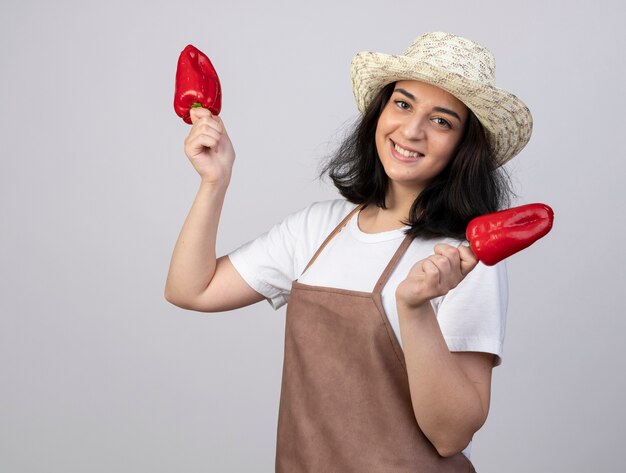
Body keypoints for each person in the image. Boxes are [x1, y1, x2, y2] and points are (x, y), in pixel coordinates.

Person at [165, 31, 532, 472]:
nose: (411, 130)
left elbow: (451, 434)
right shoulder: (316, 229)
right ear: (380, 110)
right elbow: (191, 290)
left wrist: (414, 307)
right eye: (403, 103)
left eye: (442, 121)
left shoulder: (464, 258)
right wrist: (214, 181)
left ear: (463, 147)